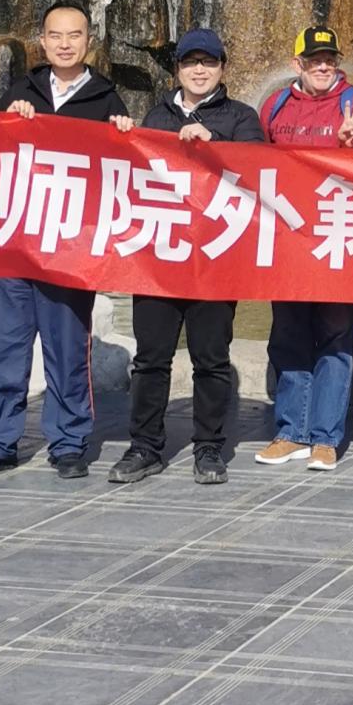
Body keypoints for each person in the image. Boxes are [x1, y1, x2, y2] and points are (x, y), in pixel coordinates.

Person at [0, 1, 129, 483]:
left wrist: (123, 134)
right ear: (42, 41)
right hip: (15, 245)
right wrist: (7, 120)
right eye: (55, 35)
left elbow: (122, 173)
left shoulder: (106, 100)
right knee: (5, 349)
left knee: (68, 351)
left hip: (70, 250)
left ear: (89, 41)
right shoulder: (20, 91)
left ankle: (69, 443)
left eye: (74, 35)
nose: (64, 44)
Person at [110, 28, 266, 490]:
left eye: (209, 62)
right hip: (159, 257)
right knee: (150, 359)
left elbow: (259, 169)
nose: (200, 70)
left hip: (215, 259)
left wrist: (213, 141)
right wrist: (120, 139)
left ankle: (209, 447)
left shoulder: (241, 117)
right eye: (191, 62)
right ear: (177, 68)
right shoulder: (155, 116)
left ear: (222, 67)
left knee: (211, 359)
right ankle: (145, 446)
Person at [254, 24, 353, 472]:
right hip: (287, 241)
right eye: (314, 60)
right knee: (288, 335)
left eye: (329, 59)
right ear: (298, 64)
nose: (323, 66)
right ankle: (291, 431)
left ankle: (325, 437)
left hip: (336, 238)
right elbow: (253, 164)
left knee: (335, 336)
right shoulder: (275, 105)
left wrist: (349, 146)